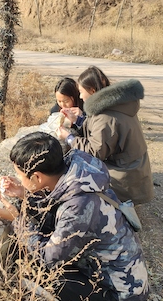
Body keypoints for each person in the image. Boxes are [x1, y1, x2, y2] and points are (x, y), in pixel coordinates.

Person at [0, 131, 149, 301]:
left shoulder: (79, 206)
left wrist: (18, 220)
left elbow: (48, 257)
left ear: (37, 177)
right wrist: (25, 194)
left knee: (33, 278)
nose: (18, 179)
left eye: (21, 176)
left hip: (120, 299)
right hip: (120, 282)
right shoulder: (77, 173)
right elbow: (56, 208)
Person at [57, 66, 155, 205]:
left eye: (81, 92)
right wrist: (78, 120)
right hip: (134, 170)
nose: (80, 97)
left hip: (126, 178)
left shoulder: (106, 116)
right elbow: (102, 132)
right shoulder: (115, 105)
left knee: (76, 178)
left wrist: (69, 138)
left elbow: (95, 151)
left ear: (92, 91)